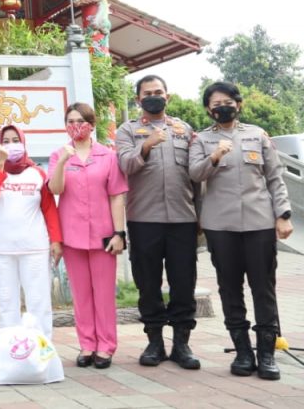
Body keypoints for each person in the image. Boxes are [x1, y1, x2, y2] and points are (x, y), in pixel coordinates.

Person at [189, 81, 293, 381]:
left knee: (264, 289)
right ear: (209, 109)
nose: (223, 106)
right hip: (221, 227)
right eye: (216, 103)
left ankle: (267, 354)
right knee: (230, 289)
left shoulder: (257, 135)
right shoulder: (202, 140)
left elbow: (275, 177)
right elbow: (194, 174)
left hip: (260, 223)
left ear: (238, 104)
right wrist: (215, 157)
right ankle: (244, 353)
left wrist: (283, 215)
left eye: (228, 101)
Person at [115, 75, 200, 369]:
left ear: (168, 97)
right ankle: (154, 341)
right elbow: (125, 165)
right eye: (147, 93)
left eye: (159, 92)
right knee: (148, 283)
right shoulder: (127, 131)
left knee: (183, 282)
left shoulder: (184, 130)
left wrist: (200, 216)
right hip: (144, 219)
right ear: (138, 100)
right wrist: (147, 145)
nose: (154, 96)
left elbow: (197, 174)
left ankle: (181, 343)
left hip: (182, 218)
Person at [48, 102, 128, 369]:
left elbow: (116, 196)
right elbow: (55, 189)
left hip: (104, 236)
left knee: (104, 294)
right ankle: (87, 345)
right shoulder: (59, 154)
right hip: (72, 236)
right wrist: (62, 161)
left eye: (80, 120)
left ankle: (106, 346)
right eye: (70, 121)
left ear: (92, 125)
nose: (76, 126)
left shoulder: (108, 156)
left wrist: (119, 233)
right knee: (81, 295)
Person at [0, 124, 62, 339]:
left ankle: (42, 349)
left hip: (34, 248)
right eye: (5, 141)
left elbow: (49, 208)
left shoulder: (37, 173)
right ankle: (10, 351)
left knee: (38, 302)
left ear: (23, 143)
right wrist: (0, 162)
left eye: (15, 140)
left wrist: (56, 240)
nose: (11, 145)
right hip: (1, 250)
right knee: (7, 305)